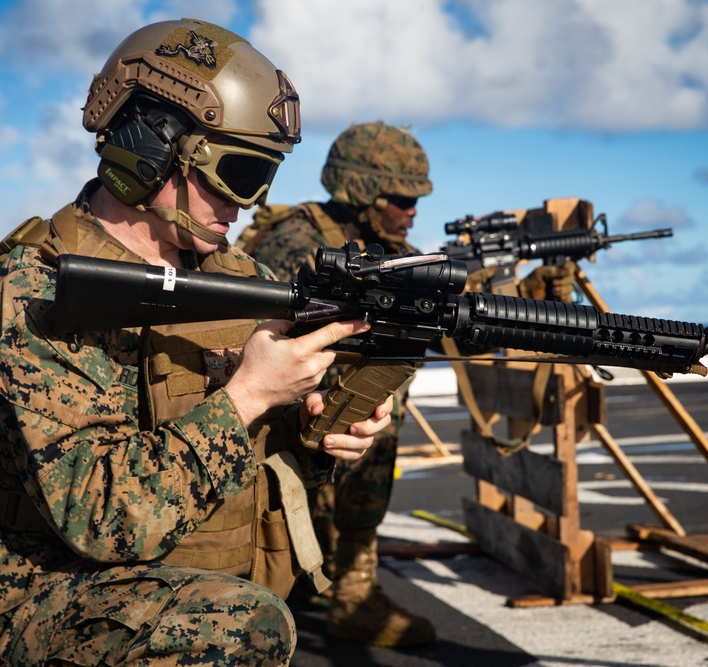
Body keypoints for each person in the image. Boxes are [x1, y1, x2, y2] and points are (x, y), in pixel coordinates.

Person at [0, 19, 391, 666]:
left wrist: (317, 426)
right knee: (243, 627)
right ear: (153, 149)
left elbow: (258, 444)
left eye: (266, 176)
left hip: (178, 575)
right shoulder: (36, 294)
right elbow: (100, 513)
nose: (251, 203)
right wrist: (249, 394)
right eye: (238, 172)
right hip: (35, 593)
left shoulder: (236, 279)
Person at [241, 121, 576, 648]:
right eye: (402, 198)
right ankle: (351, 591)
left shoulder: (379, 249)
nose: (413, 209)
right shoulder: (300, 246)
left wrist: (533, 296)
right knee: (379, 404)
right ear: (363, 193)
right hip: (284, 422)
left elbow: (449, 326)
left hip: (315, 426)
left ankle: (325, 576)